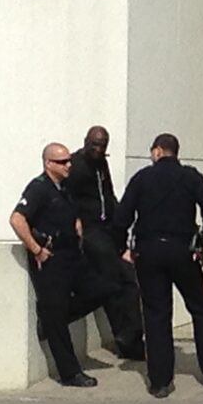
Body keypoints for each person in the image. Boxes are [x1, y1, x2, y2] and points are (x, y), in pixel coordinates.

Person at [114, 133, 203, 398]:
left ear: (157, 151)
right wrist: (201, 237)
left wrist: (123, 248)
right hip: (182, 250)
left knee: (156, 314)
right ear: (175, 152)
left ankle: (160, 381)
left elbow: (122, 217)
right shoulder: (190, 177)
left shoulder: (142, 179)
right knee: (200, 309)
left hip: (149, 251)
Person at [10, 143, 120, 387]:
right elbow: (17, 220)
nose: (68, 165)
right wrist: (36, 249)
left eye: (69, 160)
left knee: (105, 287)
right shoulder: (38, 188)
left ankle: (48, 322)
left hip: (72, 254)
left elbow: (71, 212)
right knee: (56, 312)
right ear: (48, 163)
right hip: (51, 258)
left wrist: (77, 223)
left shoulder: (65, 188)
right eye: (62, 162)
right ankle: (70, 373)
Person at [65, 126, 145, 360]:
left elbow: (108, 196)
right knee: (113, 276)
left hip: (107, 228)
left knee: (129, 278)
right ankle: (126, 339)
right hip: (89, 231)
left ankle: (131, 337)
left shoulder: (101, 164)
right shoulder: (76, 166)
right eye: (95, 145)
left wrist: (122, 221)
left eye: (103, 146)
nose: (98, 150)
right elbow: (65, 198)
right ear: (86, 141)